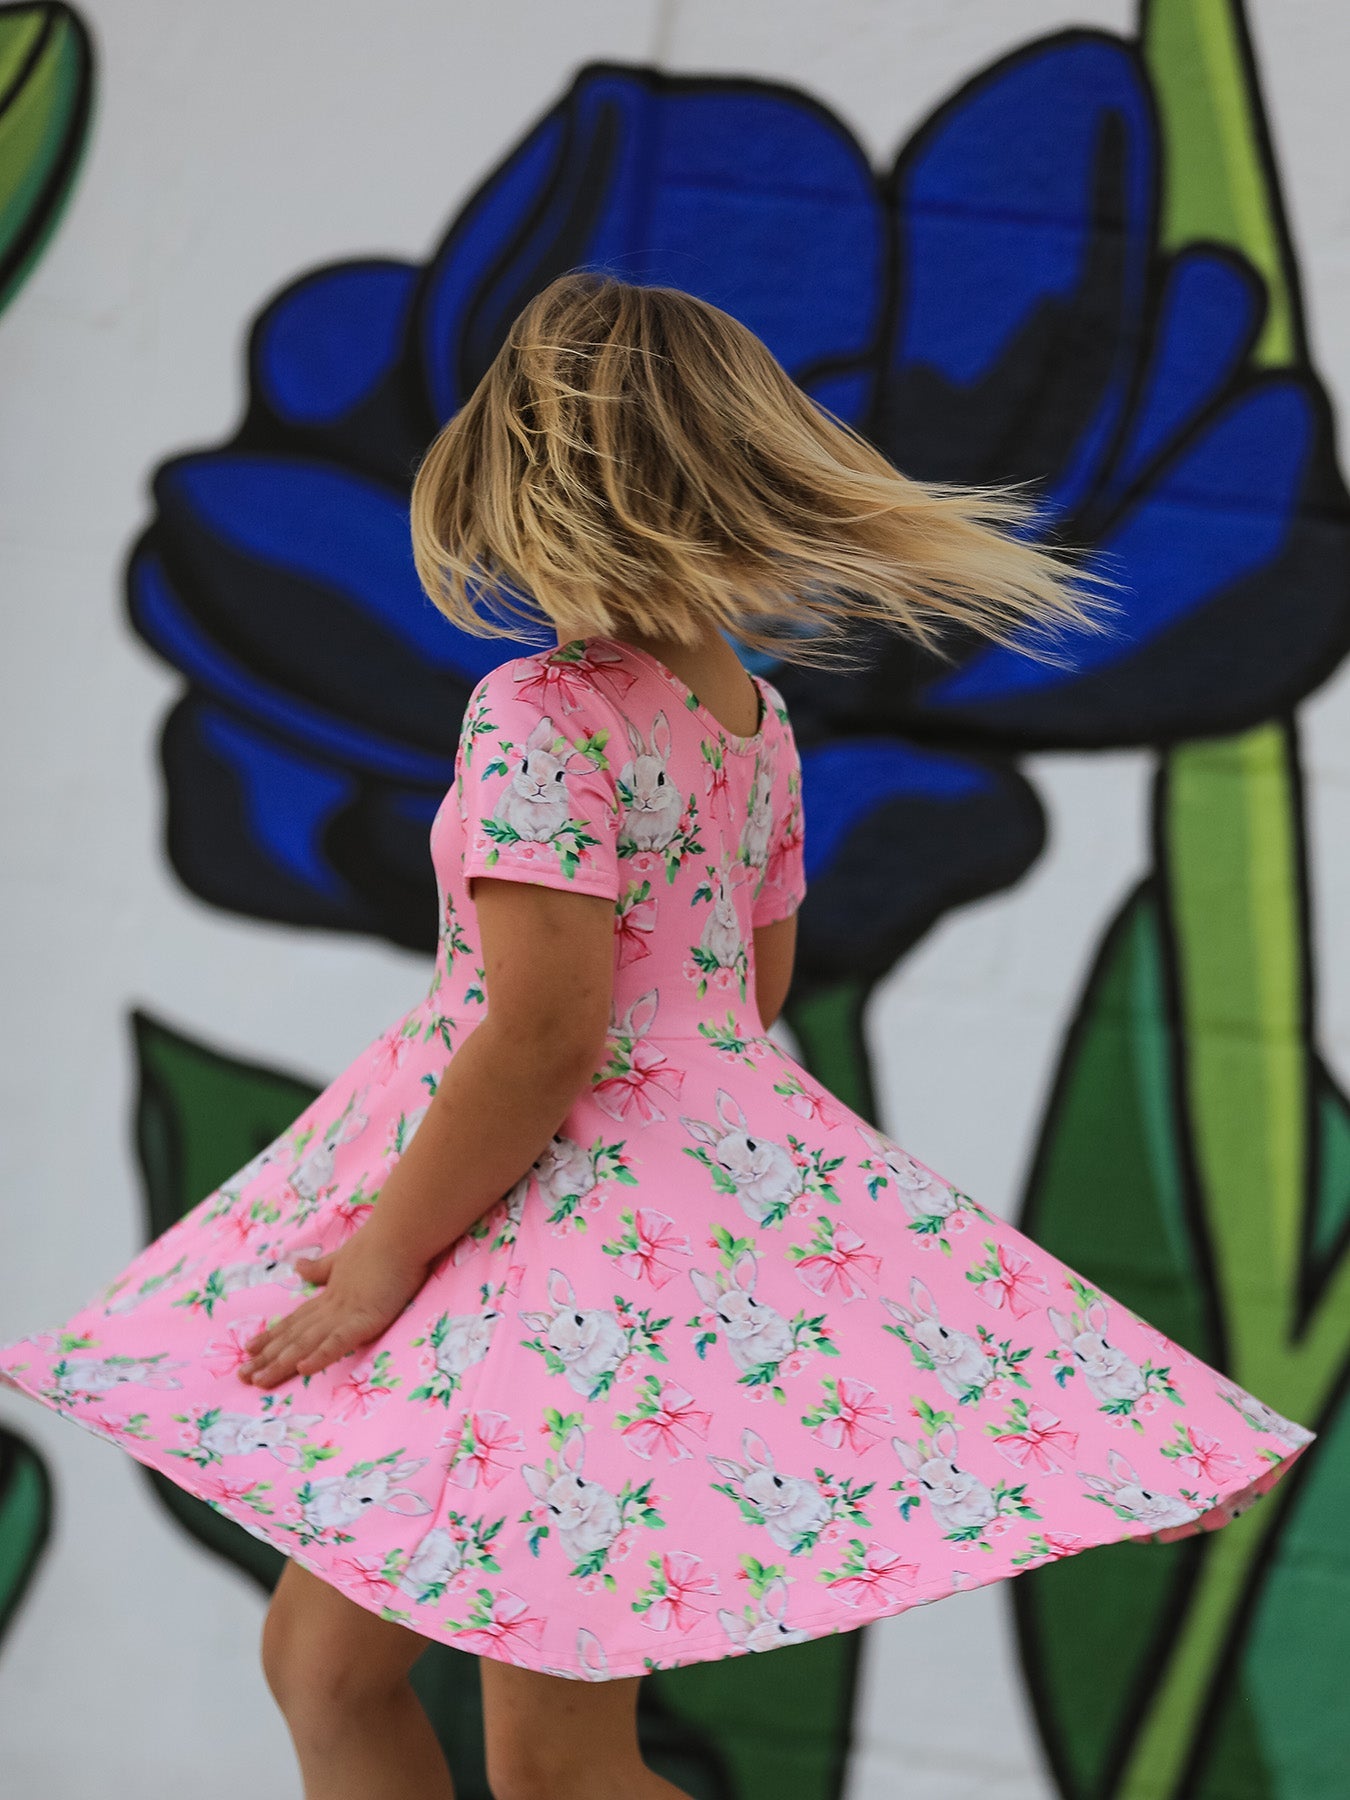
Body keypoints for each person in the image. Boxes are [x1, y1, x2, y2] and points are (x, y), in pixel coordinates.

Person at [0, 270, 1315, 1800]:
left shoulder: (541, 713)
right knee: (329, 1661)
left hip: (536, 1236)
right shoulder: (744, 711)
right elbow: (744, 997)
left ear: (529, 476)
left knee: (552, 1759)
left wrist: (380, 1259)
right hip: (625, 1208)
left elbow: (545, 1032)